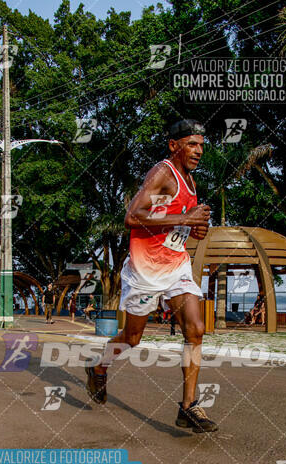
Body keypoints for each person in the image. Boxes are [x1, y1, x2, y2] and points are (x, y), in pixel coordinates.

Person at [85, 119, 218, 433]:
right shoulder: (162, 174)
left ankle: (188, 407)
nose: (198, 151)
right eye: (191, 144)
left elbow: (170, 222)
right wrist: (186, 217)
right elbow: (133, 216)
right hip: (145, 271)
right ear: (174, 146)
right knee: (132, 339)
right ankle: (99, 366)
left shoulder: (189, 180)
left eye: (201, 144)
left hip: (175, 267)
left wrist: (196, 228)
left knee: (196, 329)